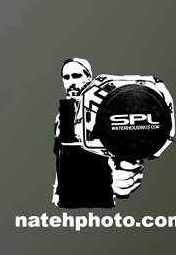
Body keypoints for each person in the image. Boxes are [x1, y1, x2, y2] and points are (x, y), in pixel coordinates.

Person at [53, 58, 142, 208]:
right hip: (67, 203)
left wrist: (125, 175)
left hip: (98, 202)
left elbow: (126, 155)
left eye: (76, 76)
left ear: (89, 78)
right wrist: (56, 193)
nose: (71, 82)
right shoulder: (62, 115)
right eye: (66, 77)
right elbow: (60, 155)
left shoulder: (108, 112)